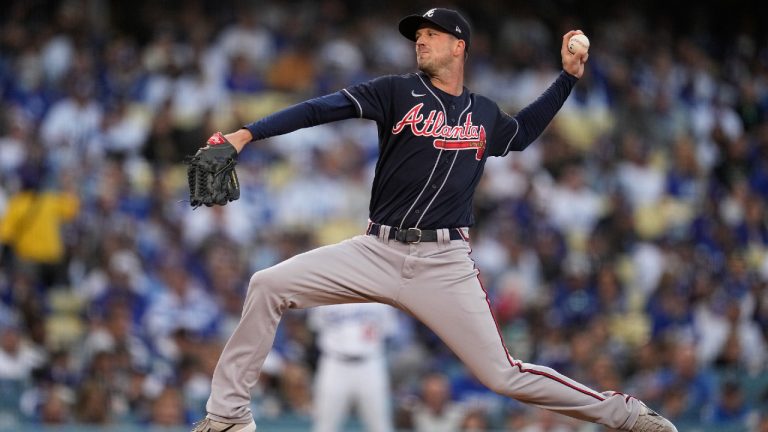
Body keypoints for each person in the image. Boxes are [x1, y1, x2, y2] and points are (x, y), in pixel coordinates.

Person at [191, 7, 677, 432]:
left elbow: (523, 134)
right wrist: (247, 134)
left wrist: (567, 78)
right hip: (375, 250)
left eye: (431, 33)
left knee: (501, 374)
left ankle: (626, 415)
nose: (419, 39)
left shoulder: (483, 112)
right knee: (267, 284)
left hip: (444, 263)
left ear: (458, 45)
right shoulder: (395, 92)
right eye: (416, 35)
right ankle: (230, 416)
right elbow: (322, 108)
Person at [308, 302, 398, 432]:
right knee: (324, 426)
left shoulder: (380, 293)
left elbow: (388, 330)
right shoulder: (325, 290)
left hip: (370, 363)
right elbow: (315, 325)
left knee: (380, 425)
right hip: (334, 363)